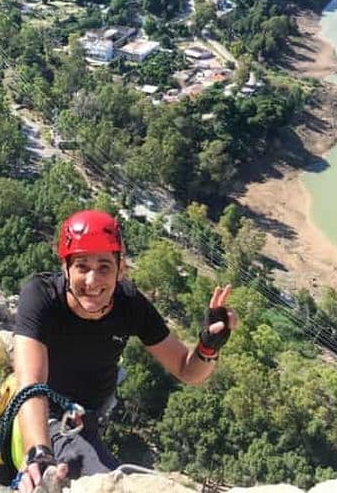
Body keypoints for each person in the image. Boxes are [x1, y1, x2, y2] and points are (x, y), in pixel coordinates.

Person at [12, 209, 238, 492]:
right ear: (65, 268)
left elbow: (187, 370)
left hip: (88, 418)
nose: (93, 281)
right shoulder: (41, 297)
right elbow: (31, 384)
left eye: (104, 267)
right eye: (82, 266)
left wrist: (208, 346)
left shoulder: (130, 305)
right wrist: (38, 452)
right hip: (44, 413)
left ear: (121, 270)